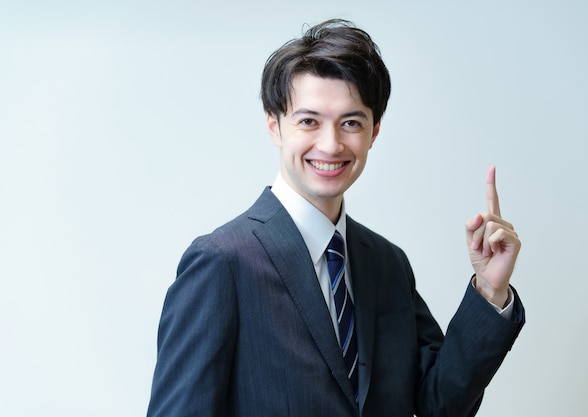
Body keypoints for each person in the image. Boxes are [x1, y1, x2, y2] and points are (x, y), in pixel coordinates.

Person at [147, 19, 525, 417]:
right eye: (309, 121)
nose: (331, 145)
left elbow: (439, 404)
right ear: (275, 125)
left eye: (351, 123)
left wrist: (488, 290)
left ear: (374, 131)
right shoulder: (221, 262)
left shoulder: (387, 263)